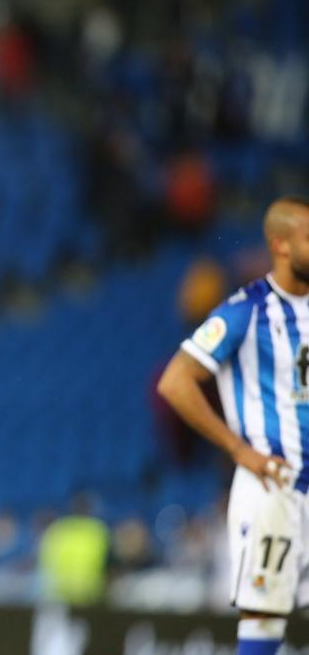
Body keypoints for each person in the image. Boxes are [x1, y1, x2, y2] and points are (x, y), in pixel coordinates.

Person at [157, 196, 309, 655]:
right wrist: (239, 450)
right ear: (280, 245)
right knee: (264, 617)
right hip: (273, 488)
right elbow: (175, 381)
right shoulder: (246, 310)